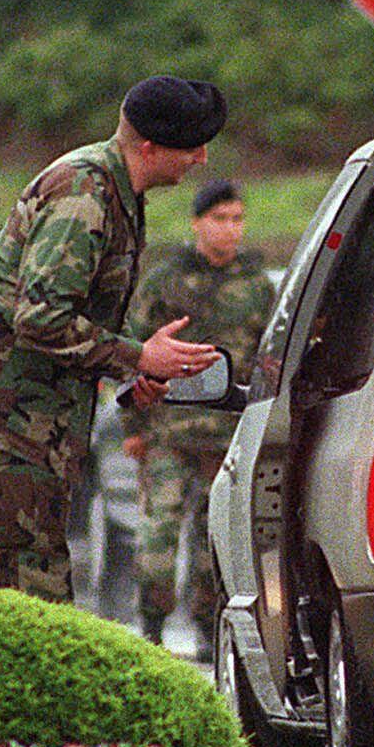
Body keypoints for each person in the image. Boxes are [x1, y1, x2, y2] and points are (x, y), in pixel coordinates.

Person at [0, 76, 225, 603]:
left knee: (29, 586)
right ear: (150, 147)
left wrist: (133, 370)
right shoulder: (85, 193)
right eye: (192, 147)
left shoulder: (118, 192)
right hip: (9, 416)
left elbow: (76, 313)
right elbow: (41, 316)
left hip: (40, 416)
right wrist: (138, 354)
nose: (202, 159)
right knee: (34, 590)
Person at [122, 179, 276, 648]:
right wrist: (134, 426)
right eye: (219, 219)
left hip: (229, 434)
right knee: (158, 537)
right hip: (168, 430)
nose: (229, 230)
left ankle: (210, 626)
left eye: (236, 219)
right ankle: (151, 625)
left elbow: (271, 356)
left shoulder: (256, 285)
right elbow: (132, 351)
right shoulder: (167, 280)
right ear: (197, 223)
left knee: (217, 541)